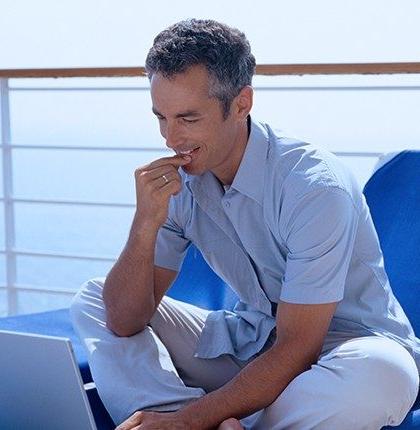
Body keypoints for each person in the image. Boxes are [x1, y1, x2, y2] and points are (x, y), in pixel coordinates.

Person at [70, 19, 420, 429]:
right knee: (95, 300)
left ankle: (193, 421)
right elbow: (126, 320)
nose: (170, 138)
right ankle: (169, 413)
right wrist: (145, 223)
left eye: (187, 118)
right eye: (161, 118)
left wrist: (193, 420)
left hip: (344, 351)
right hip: (252, 340)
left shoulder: (313, 187)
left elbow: (298, 348)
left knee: (379, 377)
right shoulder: (181, 184)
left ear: (241, 104)